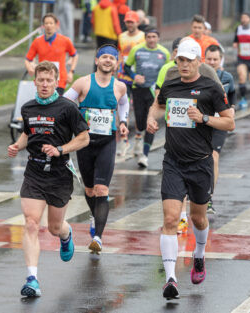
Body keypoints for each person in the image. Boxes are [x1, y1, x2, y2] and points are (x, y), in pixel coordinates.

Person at [146, 39, 234, 300]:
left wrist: (204, 118)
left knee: (198, 217)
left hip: (200, 163)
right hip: (173, 161)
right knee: (171, 219)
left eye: (188, 60)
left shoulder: (211, 88)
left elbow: (230, 122)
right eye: (180, 60)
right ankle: (171, 278)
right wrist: (152, 118)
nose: (183, 64)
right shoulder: (170, 84)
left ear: (198, 62)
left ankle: (199, 254)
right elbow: (158, 105)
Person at [7, 61, 90, 297]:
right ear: (35, 82)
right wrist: (17, 145)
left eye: (49, 80)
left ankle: (66, 234)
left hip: (60, 173)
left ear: (56, 82)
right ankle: (32, 279)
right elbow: (27, 132)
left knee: (54, 227)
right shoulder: (28, 108)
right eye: (40, 80)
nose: (44, 84)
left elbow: (83, 138)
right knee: (31, 223)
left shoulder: (67, 108)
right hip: (34, 171)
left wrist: (61, 149)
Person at [64, 45, 129, 253]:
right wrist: (74, 122)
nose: (108, 60)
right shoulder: (83, 82)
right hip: (84, 142)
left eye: (112, 58)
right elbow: (65, 102)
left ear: (116, 63)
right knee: (90, 189)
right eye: (104, 57)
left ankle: (98, 237)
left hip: (107, 142)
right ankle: (94, 215)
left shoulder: (120, 87)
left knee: (102, 190)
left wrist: (123, 121)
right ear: (96, 60)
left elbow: (124, 104)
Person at [124, 27, 170, 168]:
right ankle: (138, 137)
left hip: (154, 92)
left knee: (151, 122)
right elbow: (126, 66)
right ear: (145, 38)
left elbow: (169, 71)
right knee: (140, 120)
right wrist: (134, 76)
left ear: (158, 38)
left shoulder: (164, 53)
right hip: (139, 90)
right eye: (149, 37)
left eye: (154, 37)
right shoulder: (136, 50)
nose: (151, 39)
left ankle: (144, 155)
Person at [204, 44, 236, 214]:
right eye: (209, 58)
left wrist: (232, 108)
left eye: (215, 59)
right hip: (201, 122)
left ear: (220, 59)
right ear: (204, 59)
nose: (212, 61)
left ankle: (209, 197)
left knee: (214, 157)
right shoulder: (199, 76)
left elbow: (232, 96)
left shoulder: (227, 77)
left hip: (219, 122)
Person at [25, 13, 78, 95]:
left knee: (56, 105)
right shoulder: (37, 42)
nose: (48, 26)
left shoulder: (65, 40)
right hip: (43, 80)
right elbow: (28, 59)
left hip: (59, 80)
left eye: (51, 23)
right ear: (43, 26)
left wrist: (71, 72)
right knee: (44, 105)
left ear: (56, 25)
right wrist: (29, 68)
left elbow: (75, 55)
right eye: (46, 23)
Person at [117, 10, 145, 157]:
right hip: (123, 77)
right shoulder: (121, 36)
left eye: (132, 21)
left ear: (137, 23)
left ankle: (139, 137)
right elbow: (120, 55)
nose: (129, 24)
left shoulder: (143, 37)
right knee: (123, 105)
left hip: (138, 77)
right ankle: (124, 139)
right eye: (127, 21)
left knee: (139, 109)